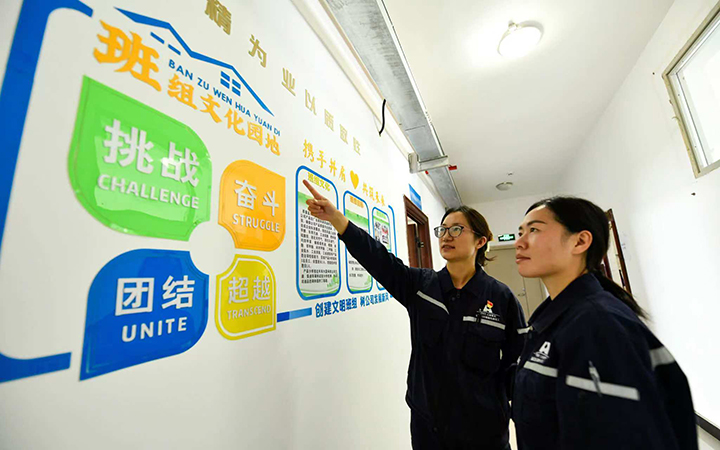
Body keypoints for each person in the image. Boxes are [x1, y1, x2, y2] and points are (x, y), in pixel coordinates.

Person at [303, 179, 527, 450]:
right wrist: (338, 220)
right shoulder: (421, 286)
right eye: (443, 230)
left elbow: (519, 365)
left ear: (480, 241)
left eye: (456, 229)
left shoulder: (502, 298)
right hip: (428, 428)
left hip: (483, 430)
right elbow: (378, 259)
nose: (446, 236)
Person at [512, 196, 697, 450]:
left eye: (534, 230)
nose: (519, 242)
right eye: (520, 232)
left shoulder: (596, 324)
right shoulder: (556, 320)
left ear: (580, 241)